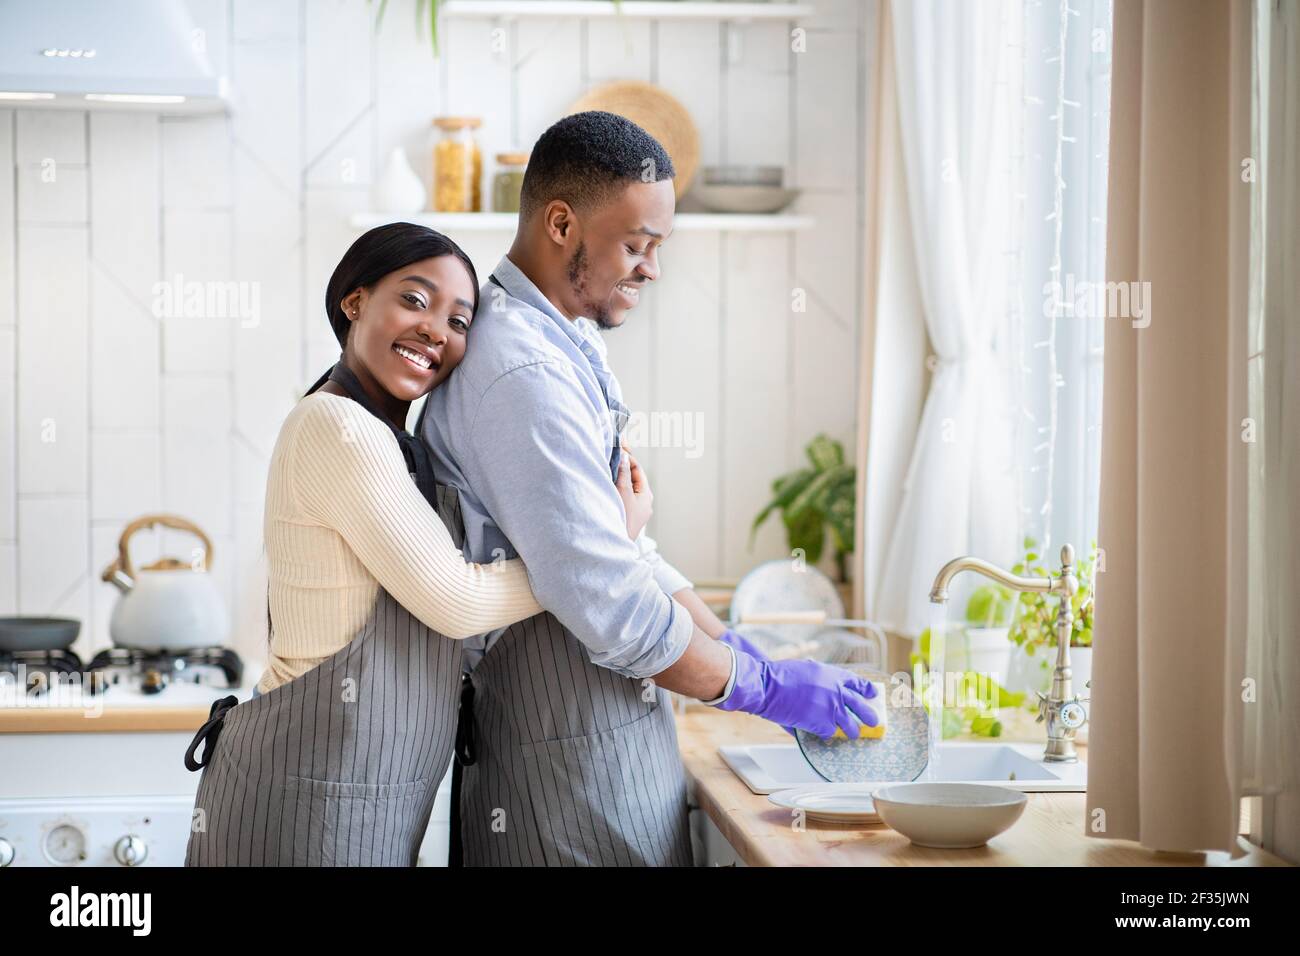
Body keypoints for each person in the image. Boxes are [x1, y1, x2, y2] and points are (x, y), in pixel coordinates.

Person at [421, 111, 879, 867]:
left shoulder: (560, 343)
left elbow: (630, 554)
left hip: (603, 758)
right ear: (562, 223)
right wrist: (763, 687)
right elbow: (611, 601)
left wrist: (738, 650)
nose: (652, 269)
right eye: (637, 245)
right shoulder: (522, 375)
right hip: (560, 780)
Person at [183, 224, 630, 866]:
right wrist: (599, 546)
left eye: (458, 319)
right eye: (415, 301)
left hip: (356, 798)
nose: (436, 331)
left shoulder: (393, 441)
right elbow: (457, 601)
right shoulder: (338, 427)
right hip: (302, 794)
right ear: (355, 301)